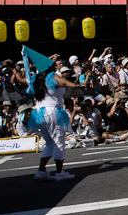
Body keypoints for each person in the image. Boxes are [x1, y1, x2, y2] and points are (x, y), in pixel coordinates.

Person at [14, 53, 81, 181]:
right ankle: (60, 172)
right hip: (53, 111)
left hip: (39, 113)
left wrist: (17, 70)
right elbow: (64, 82)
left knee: (50, 143)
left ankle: (41, 171)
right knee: (58, 142)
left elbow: (21, 79)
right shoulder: (52, 77)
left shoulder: (36, 79)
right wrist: (76, 86)